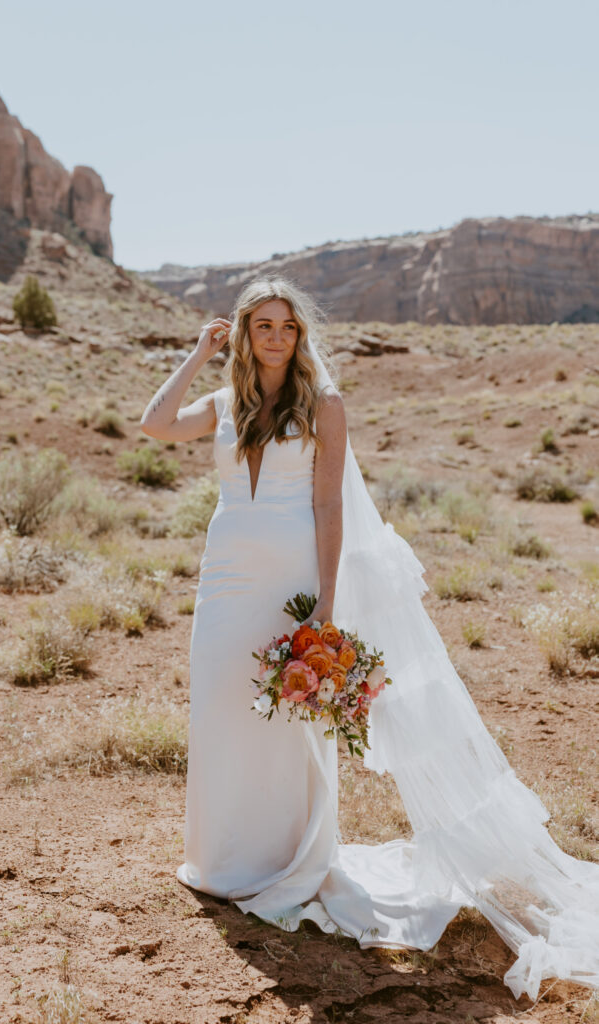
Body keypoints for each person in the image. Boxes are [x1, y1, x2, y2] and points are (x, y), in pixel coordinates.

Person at [140, 276, 599, 1003]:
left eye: (286, 326)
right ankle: (223, 859)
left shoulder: (323, 405)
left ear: (299, 335)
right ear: (242, 330)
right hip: (224, 579)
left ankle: (290, 857)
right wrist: (197, 352)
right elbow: (153, 425)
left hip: (290, 578)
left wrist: (323, 601)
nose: (274, 336)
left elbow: (327, 504)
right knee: (223, 709)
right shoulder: (224, 405)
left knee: (289, 721)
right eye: (261, 324)